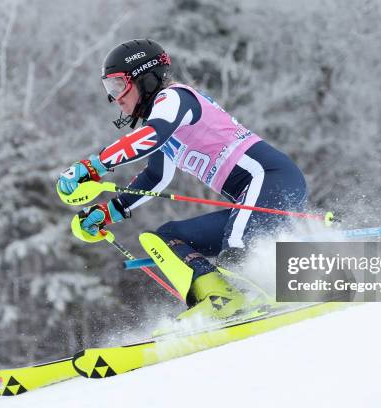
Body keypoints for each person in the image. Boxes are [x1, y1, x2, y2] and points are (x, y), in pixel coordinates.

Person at [58, 39, 308, 320]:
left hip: (270, 179)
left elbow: (153, 135)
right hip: (251, 198)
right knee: (166, 237)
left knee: (237, 251)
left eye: (118, 86)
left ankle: (244, 299)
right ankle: (222, 301)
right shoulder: (162, 121)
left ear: (146, 79)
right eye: (109, 89)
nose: (116, 97)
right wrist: (108, 211)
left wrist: (95, 166)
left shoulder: (174, 99)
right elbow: (154, 177)